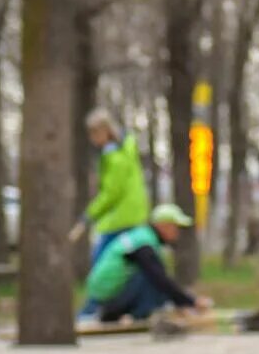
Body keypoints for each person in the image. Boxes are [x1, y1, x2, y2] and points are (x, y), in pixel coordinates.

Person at [80, 203, 212, 324]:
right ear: (164, 226)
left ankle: (123, 314)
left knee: (155, 279)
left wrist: (182, 302)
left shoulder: (142, 237)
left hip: (105, 292)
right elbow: (160, 280)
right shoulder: (144, 244)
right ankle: (133, 315)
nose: (177, 233)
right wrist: (191, 302)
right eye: (176, 228)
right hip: (107, 297)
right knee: (152, 280)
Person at [74, 108, 148, 263]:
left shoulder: (115, 158)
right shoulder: (123, 151)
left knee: (100, 262)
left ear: (105, 131)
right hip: (132, 214)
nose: (92, 138)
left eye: (94, 133)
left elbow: (111, 193)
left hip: (121, 218)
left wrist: (88, 215)